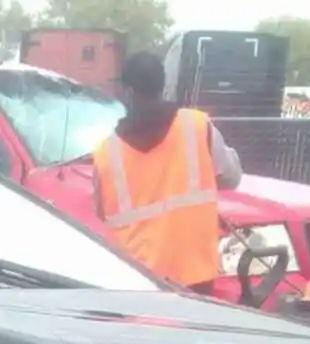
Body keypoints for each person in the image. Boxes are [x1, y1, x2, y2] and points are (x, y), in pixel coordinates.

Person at [92, 53, 243, 293]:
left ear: (127, 92)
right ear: (162, 86)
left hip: (138, 280)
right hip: (195, 276)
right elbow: (232, 176)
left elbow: (101, 211)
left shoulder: (105, 153)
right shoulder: (197, 126)